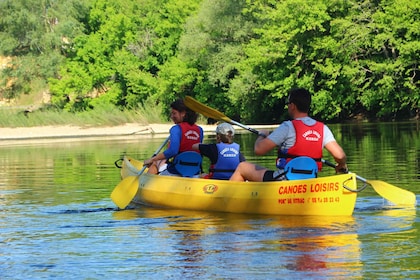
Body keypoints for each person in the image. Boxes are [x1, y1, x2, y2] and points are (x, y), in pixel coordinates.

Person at [230, 88, 348, 182]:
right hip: (310, 181)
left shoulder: (287, 127)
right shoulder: (323, 128)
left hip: (285, 180)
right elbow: (340, 155)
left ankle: (225, 201)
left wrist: (262, 135)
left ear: (292, 106)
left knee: (242, 167)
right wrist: (341, 165)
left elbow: (259, 150)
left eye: (288, 104)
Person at [143, 98, 204, 175]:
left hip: (177, 170)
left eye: (174, 113)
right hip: (195, 171)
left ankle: (145, 182)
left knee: (155, 162)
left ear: (183, 113)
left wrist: (152, 159)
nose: (171, 116)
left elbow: (172, 151)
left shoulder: (176, 129)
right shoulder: (200, 130)